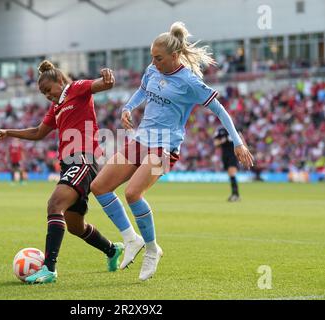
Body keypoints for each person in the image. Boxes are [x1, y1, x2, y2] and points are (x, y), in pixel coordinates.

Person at [90, 22, 254, 281]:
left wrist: (238, 142)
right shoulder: (152, 70)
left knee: (133, 193)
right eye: (152, 57)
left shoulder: (190, 81)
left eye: (159, 58)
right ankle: (131, 239)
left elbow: (220, 110)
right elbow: (142, 90)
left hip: (165, 147)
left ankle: (152, 249)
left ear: (175, 56)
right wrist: (127, 108)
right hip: (141, 140)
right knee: (99, 187)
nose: (153, 62)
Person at [0, 60, 124, 284]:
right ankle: (112, 250)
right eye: (43, 93)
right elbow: (37, 132)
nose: (47, 96)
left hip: (82, 159)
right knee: (75, 226)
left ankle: (49, 269)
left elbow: (101, 85)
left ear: (60, 81)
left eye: (48, 90)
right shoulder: (56, 107)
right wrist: (8, 132)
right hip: (69, 164)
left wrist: (107, 78)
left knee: (55, 205)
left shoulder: (75, 88)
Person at [213, 126, 242, 202]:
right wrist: (223, 140)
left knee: (232, 173)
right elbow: (215, 143)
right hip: (225, 155)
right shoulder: (220, 130)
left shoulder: (235, 128)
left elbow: (241, 140)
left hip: (234, 155)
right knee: (230, 174)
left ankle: (236, 195)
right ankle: (235, 194)